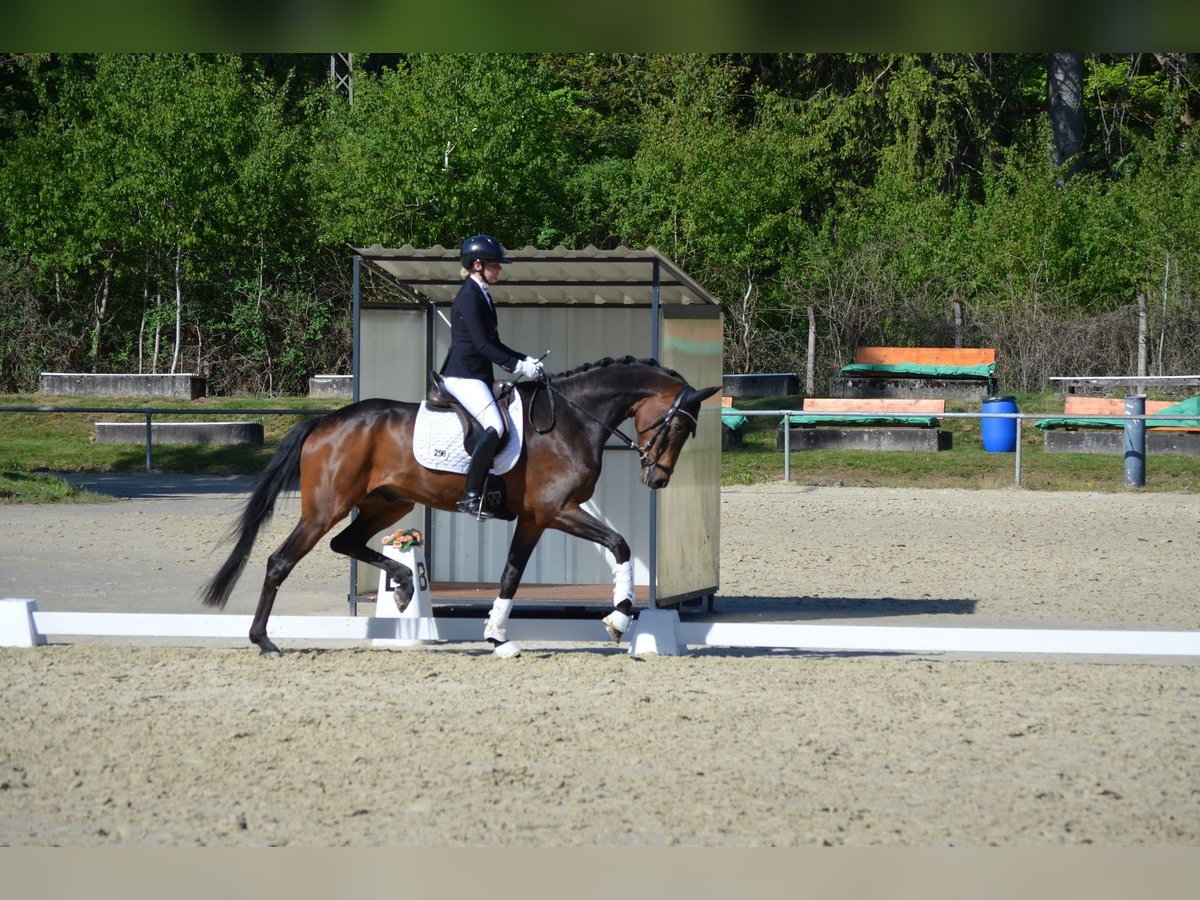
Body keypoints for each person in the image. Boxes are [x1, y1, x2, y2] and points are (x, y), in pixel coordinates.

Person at [439, 234, 544, 520]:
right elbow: (483, 346)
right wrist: (517, 366)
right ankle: (471, 495)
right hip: (463, 375)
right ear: (476, 265)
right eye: (494, 265)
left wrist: (523, 359)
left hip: (477, 374)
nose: (499, 269)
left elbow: (493, 343)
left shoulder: (482, 293)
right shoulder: (469, 296)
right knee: (495, 426)